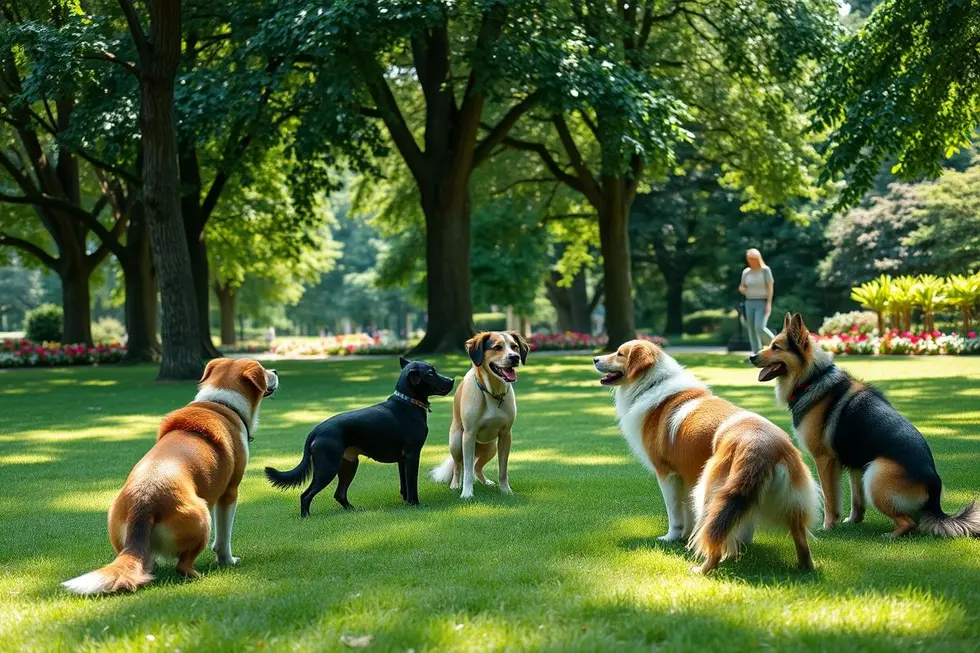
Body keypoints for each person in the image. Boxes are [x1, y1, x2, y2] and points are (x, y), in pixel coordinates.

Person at [738, 248, 774, 354]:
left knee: (759, 327)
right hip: (749, 302)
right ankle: (757, 353)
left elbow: (770, 288)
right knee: (751, 329)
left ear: (758, 258)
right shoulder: (746, 272)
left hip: (762, 302)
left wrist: (769, 303)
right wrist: (741, 289)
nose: (751, 261)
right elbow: (742, 286)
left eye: (753, 258)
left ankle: (777, 346)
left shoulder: (765, 270)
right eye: (749, 258)